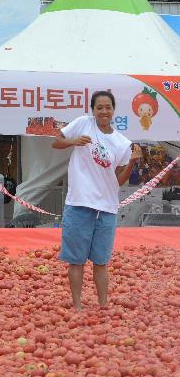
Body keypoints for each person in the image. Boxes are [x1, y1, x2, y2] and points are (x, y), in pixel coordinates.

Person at [52, 91, 142, 311]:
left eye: (108, 107)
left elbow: (117, 181)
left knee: (101, 261)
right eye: (99, 107)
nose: (104, 111)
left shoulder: (121, 142)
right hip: (79, 203)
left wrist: (131, 163)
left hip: (107, 207)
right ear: (92, 110)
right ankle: (78, 306)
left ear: (113, 110)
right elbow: (56, 143)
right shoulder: (84, 123)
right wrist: (74, 141)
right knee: (77, 260)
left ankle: (103, 306)